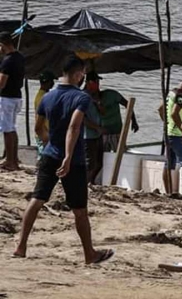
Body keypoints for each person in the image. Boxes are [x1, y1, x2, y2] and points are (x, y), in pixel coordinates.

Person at [13, 56, 114, 264]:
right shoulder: (81, 98)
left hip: (49, 155)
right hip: (73, 160)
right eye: (82, 75)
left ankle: (21, 246)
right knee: (79, 210)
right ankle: (89, 254)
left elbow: (38, 127)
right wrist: (67, 155)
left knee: (37, 199)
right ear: (78, 74)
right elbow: (75, 126)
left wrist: (50, 143)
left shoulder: (47, 97)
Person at [158, 75, 182, 194]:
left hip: (169, 132)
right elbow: (174, 114)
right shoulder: (181, 96)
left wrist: (167, 124)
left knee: (169, 163)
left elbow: (160, 109)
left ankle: (169, 191)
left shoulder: (171, 93)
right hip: (176, 134)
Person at [0, 32, 25, 171]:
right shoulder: (19, 57)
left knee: (7, 130)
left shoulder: (7, 61)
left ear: (2, 45)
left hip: (7, 98)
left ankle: (11, 161)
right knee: (12, 128)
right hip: (16, 96)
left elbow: (1, 83)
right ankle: (13, 159)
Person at [97, 75, 139, 152]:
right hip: (101, 134)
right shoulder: (87, 98)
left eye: (97, 82)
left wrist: (134, 121)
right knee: (102, 157)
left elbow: (128, 105)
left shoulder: (112, 95)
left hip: (116, 132)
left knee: (121, 154)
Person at [83, 72, 104, 184]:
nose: (98, 84)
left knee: (99, 162)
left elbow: (102, 113)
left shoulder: (93, 97)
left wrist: (98, 105)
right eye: (96, 82)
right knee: (90, 163)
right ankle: (84, 184)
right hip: (88, 135)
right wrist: (97, 127)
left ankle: (91, 182)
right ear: (89, 83)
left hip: (97, 135)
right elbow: (82, 118)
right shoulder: (83, 97)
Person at [34, 71, 57, 161]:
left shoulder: (43, 95)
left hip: (46, 131)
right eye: (51, 81)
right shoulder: (42, 97)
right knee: (44, 156)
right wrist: (44, 134)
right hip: (44, 131)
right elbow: (40, 118)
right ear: (48, 82)